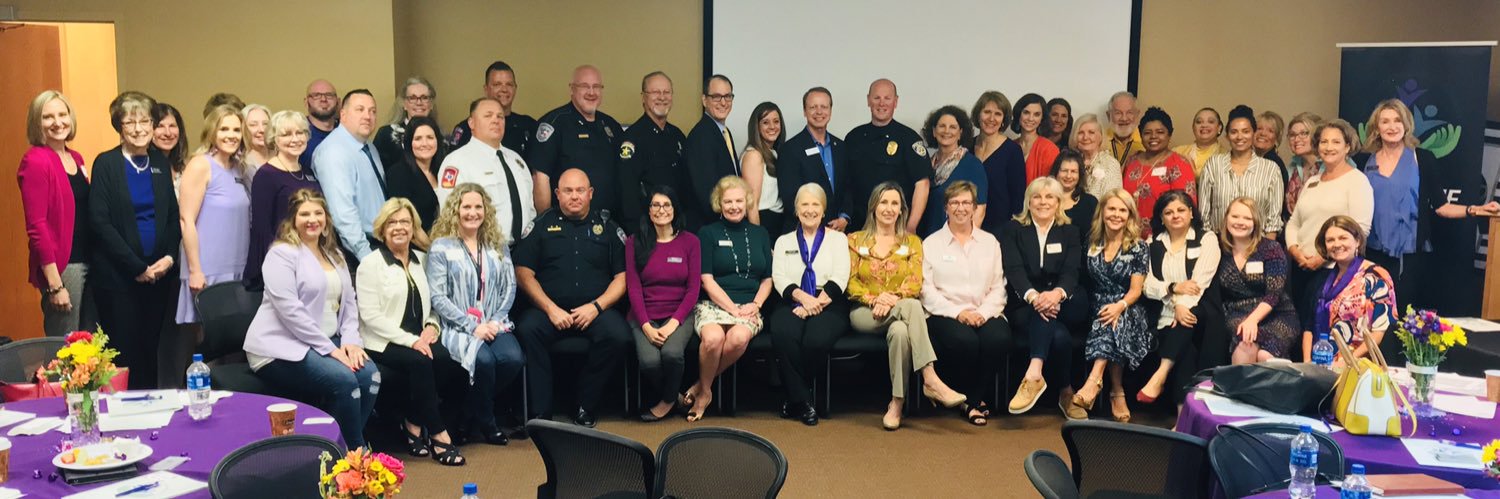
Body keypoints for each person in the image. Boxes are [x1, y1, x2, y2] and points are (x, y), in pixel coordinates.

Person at [244, 189, 376, 450]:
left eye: (318, 213)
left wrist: (351, 342)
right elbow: (291, 312)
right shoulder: (281, 254)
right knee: (344, 380)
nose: (312, 219)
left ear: (326, 219)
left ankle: (331, 449)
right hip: (279, 347)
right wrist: (332, 350)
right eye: (304, 214)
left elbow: (349, 303)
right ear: (293, 220)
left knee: (370, 376)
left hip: (326, 342)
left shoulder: (334, 255)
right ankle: (356, 457)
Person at [513, 168, 632, 428]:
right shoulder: (541, 226)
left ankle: (584, 405)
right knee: (528, 329)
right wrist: (550, 308)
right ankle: (541, 414)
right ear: (557, 194)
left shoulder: (608, 228)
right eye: (567, 191)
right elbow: (523, 273)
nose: (574, 196)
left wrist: (596, 307)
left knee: (619, 335)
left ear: (591, 193)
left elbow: (622, 277)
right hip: (550, 309)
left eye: (580, 190)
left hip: (594, 309)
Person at [1358, 99, 1498, 311]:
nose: (1392, 126)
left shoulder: (1422, 158)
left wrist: (1476, 210)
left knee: (1402, 315)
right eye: (1385, 121)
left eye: (1397, 120)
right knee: (1371, 313)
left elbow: (1442, 207)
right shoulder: (1363, 162)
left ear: (1406, 125)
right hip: (1372, 254)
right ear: (1376, 128)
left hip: (1410, 257)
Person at [847, 182, 966, 430]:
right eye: (884, 202)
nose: (889, 209)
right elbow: (850, 282)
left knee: (901, 331)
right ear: (873, 207)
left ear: (902, 209)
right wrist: (875, 299)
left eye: (895, 204)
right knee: (912, 307)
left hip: (899, 312)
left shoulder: (912, 242)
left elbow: (915, 283)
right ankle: (930, 377)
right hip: (864, 313)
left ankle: (896, 403)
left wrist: (891, 298)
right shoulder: (855, 240)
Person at [357, 198, 466, 465]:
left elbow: (431, 305)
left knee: (448, 361)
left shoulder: (421, 260)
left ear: (413, 226)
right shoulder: (370, 264)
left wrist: (432, 326)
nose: (399, 227)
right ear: (382, 229)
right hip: (382, 340)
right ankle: (440, 437)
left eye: (405, 221)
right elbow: (370, 317)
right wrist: (412, 341)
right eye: (392, 222)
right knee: (421, 362)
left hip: (418, 337)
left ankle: (413, 422)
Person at [89, 91, 180, 388]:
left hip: (159, 276)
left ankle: (152, 418)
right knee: (124, 355)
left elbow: (171, 216)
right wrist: (137, 267)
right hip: (119, 279)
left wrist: (168, 258)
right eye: (131, 122)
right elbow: (100, 223)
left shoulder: (158, 162)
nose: (139, 128)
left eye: (145, 121)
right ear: (119, 127)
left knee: (149, 350)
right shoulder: (106, 164)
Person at [427, 184, 523, 445]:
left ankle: (467, 413)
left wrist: (493, 321)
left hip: (494, 322)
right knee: (483, 363)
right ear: (455, 210)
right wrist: (472, 326)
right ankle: (488, 423)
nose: (472, 212)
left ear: (486, 210)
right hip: (457, 326)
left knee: (511, 359)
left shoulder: (497, 245)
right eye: (466, 206)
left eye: (478, 207)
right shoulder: (440, 247)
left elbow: (509, 287)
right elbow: (438, 297)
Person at [922, 180, 1011, 426]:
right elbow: (926, 291)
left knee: (998, 338)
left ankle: (970, 399)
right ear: (946, 208)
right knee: (965, 341)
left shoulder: (990, 243)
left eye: (966, 203)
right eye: (955, 203)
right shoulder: (931, 243)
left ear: (974, 208)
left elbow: (998, 287)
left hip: (985, 311)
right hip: (945, 313)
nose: (960, 208)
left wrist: (982, 313)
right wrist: (959, 313)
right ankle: (973, 400)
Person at [688, 176, 772, 422]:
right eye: (728, 201)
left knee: (737, 338)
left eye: (739, 200)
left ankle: (701, 388)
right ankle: (705, 392)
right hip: (714, 303)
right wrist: (732, 309)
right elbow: (707, 279)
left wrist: (755, 305)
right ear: (719, 204)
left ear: (747, 203)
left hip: (749, 305)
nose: (734, 206)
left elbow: (767, 279)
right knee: (713, 339)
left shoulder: (760, 233)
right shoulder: (707, 233)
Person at [1000, 177, 1087, 416]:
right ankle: (1066, 392)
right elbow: (1014, 270)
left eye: (1049, 197)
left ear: (1059, 202)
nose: (1043, 202)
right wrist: (1035, 297)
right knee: (1059, 337)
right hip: (1025, 302)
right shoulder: (1013, 230)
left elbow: (1072, 271)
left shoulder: (1070, 231)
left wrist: (1056, 295)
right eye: (1037, 196)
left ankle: (1034, 374)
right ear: (1028, 202)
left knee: (1053, 315)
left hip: (1064, 301)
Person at [768, 183, 849, 426]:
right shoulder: (783, 241)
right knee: (783, 333)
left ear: (824, 210)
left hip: (829, 301)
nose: (810, 210)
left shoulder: (838, 239)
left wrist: (816, 303)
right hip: (792, 299)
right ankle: (805, 401)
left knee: (815, 339)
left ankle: (794, 399)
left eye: (816, 204)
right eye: (804, 204)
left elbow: (841, 276)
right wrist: (803, 299)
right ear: (796, 210)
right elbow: (779, 278)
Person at [19, 90, 95, 337]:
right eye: (48, 117)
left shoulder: (76, 157)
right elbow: (37, 226)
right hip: (64, 267)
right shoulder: (35, 161)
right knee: (62, 348)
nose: (57, 122)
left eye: (63, 114)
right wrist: (55, 284)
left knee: (87, 346)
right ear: (36, 123)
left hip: (88, 260)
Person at [1068, 188, 1148, 423]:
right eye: (1111, 208)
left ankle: (1094, 380)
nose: (1116, 214)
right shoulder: (1091, 242)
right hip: (1096, 304)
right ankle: (1116, 391)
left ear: (1130, 215)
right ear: (1102, 212)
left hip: (1129, 306)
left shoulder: (1138, 247)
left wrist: (1119, 305)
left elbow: (1136, 290)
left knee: (1114, 318)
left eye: (1122, 210)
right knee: (1106, 317)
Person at [1285, 119, 1374, 328]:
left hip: (1335, 269)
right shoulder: (1312, 181)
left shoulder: (1357, 181)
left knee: (1322, 330)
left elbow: (1361, 229)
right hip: (1301, 267)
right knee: (1300, 330)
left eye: (1336, 142)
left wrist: (1321, 257)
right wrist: (1295, 252)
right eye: (1324, 142)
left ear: (1347, 146)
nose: (1328, 147)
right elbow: (1293, 223)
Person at [625, 186, 701, 422]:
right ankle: (678, 398)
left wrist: (672, 324)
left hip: (680, 313)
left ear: (675, 209)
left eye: (667, 205)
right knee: (648, 362)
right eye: (655, 205)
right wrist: (646, 325)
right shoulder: (634, 242)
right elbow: (634, 287)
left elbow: (693, 290)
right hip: (643, 315)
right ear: (648, 211)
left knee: (672, 354)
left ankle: (666, 402)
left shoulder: (691, 242)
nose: (661, 210)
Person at [1139, 190, 1219, 405]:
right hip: (1164, 315)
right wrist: (1173, 290)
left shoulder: (1206, 239)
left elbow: (1199, 283)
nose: (1176, 215)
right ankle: (1182, 417)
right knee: (1186, 351)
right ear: (1161, 218)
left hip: (1201, 310)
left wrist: (1181, 306)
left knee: (1185, 322)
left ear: (1191, 213)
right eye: (1168, 212)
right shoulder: (1152, 243)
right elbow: (1147, 285)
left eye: (1181, 210)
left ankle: (1160, 374)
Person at [177, 105, 250, 327]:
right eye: (224, 129)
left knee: (234, 337)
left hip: (236, 266)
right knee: (208, 339)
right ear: (212, 132)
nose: (231, 135)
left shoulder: (240, 168)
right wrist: (195, 270)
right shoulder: (201, 164)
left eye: (236, 130)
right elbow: (186, 220)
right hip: (208, 268)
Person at [530, 65, 626, 216]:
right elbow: (540, 178)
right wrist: (547, 223)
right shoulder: (554, 124)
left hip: (608, 224)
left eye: (596, 87)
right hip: (567, 226)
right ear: (571, 89)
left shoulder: (611, 126)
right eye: (584, 86)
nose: (591, 92)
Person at [437, 98, 534, 246]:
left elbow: (530, 208)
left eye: (500, 116)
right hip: (484, 250)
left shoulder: (516, 160)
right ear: (471, 123)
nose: (496, 120)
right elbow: (450, 216)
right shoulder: (457, 161)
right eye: (488, 115)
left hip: (524, 253)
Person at [1217, 197, 1299, 364]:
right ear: (1226, 219)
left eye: (1247, 218)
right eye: (1235, 217)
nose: (1240, 222)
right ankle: (1240, 391)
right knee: (1245, 346)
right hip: (1237, 312)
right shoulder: (1218, 250)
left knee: (1265, 356)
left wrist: (1253, 320)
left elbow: (1274, 294)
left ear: (1255, 223)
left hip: (1276, 313)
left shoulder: (1270, 249)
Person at [245, 111, 320, 291]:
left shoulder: (307, 172)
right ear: (274, 139)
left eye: (300, 132)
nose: (295, 139)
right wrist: (281, 268)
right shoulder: (266, 175)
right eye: (286, 134)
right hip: (283, 265)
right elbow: (262, 230)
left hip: (311, 258)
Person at [1307, 215, 1396, 365]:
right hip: (1321, 362)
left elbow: (1379, 332)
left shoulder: (1376, 276)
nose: (1337, 244)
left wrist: (1348, 361)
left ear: (1357, 241)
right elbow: (1308, 326)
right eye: (1330, 240)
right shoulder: (1322, 280)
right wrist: (1308, 362)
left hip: (1359, 364)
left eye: (1343, 238)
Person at [846, 79, 932, 232]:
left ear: (896, 102)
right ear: (868, 100)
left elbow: (923, 185)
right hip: (859, 228)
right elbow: (845, 183)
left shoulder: (909, 139)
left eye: (887, 98)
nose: (882, 103)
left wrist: (910, 227)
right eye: (876, 98)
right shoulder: (854, 137)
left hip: (897, 228)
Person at [314, 90, 387, 261]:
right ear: (343, 114)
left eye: (372, 111)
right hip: (357, 249)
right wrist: (366, 256)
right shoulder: (333, 152)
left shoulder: (369, 147)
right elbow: (342, 213)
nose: (367, 116)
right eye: (360, 109)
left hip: (380, 242)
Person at [1196, 105, 1284, 237]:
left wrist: (1267, 253)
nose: (1239, 136)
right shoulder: (1213, 165)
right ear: (1227, 136)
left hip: (1258, 247)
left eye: (1245, 131)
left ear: (1253, 133)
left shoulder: (1271, 169)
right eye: (1234, 132)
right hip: (1219, 247)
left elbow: (1273, 222)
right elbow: (1204, 216)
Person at [620, 71, 688, 231]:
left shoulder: (677, 135)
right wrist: (639, 232)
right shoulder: (632, 139)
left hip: (676, 225)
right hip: (647, 228)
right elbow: (627, 191)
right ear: (643, 97)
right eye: (656, 92)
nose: (662, 97)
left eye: (667, 92)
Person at [778, 87, 852, 231]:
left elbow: (848, 188)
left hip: (838, 231)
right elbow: (789, 196)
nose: (819, 112)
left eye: (824, 107)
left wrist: (844, 217)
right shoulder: (790, 149)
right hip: (804, 230)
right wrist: (814, 221)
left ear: (830, 110)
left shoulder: (841, 147)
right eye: (813, 107)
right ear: (805, 111)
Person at [1121, 107, 1196, 234]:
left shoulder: (1178, 164)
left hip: (1164, 237)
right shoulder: (1132, 161)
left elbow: (1186, 208)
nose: (1153, 136)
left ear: (1169, 134)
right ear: (1141, 135)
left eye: (1160, 132)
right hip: (1129, 235)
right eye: (1147, 133)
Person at [917, 105, 987, 236]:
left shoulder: (972, 165)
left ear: (961, 132)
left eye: (953, 127)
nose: (946, 131)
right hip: (926, 239)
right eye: (942, 126)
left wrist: (966, 239)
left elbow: (980, 210)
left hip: (956, 239)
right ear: (933, 131)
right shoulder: (926, 164)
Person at [684, 75, 741, 230]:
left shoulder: (723, 132)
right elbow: (706, 191)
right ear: (704, 100)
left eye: (728, 96)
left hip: (725, 222)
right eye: (716, 97)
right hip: (712, 227)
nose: (723, 102)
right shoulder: (701, 136)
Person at [451, 61, 536, 156]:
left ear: (515, 89)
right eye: (497, 84)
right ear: (486, 89)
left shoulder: (528, 126)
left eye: (509, 84)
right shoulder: (468, 128)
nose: (504, 89)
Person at [971, 91, 1026, 223]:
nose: (991, 118)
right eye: (987, 112)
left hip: (1000, 227)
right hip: (966, 223)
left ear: (1003, 120)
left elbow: (1018, 197)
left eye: (998, 114)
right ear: (978, 115)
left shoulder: (1013, 151)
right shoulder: (966, 146)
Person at [385, 115, 443, 232]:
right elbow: (404, 222)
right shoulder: (398, 173)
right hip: (417, 245)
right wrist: (432, 248)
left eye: (430, 137)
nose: (425, 143)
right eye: (418, 139)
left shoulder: (444, 169)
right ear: (409, 143)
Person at [374, 77, 439, 169]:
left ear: (431, 104)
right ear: (404, 104)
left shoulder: (440, 136)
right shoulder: (386, 134)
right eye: (412, 98)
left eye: (424, 98)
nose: (419, 102)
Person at [741, 102, 785, 232]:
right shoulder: (754, 155)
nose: (772, 126)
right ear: (757, 127)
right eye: (765, 122)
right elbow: (752, 204)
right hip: (762, 222)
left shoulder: (774, 153)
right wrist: (758, 239)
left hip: (775, 222)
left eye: (776, 121)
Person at [1282, 112, 1324, 221]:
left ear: (1317, 135)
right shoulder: (1292, 168)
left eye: (1304, 133)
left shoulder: (1333, 165)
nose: (1296, 139)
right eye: (1292, 135)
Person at [1052, 149, 1098, 244]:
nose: (1068, 176)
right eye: (1064, 171)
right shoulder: (1045, 201)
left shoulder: (1090, 203)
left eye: (1073, 171)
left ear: (1080, 175)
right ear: (1056, 172)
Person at [1073, 114, 1122, 199]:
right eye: (1080, 133)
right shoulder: (1070, 161)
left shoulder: (1111, 164)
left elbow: (1112, 201)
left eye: (1091, 132)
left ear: (1101, 136)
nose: (1085, 137)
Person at [1014, 93, 1060, 184]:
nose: (1031, 118)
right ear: (1019, 114)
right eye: (1026, 112)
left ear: (1042, 118)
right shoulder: (1009, 146)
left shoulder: (1049, 149)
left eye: (1036, 114)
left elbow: (1050, 186)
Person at [1172, 107, 1223, 175]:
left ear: (1219, 128)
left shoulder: (1225, 156)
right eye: (1199, 122)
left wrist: (1193, 172)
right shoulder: (1178, 152)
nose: (1204, 125)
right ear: (1193, 127)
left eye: (1210, 122)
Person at [301, 79, 339, 168]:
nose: (323, 99)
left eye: (329, 95)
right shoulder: (298, 133)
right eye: (316, 95)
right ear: (306, 102)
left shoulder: (346, 132)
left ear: (338, 101)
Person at [151, 102, 188, 190]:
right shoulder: (141, 167)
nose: (168, 133)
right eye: (160, 126)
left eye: (172, 126)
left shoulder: (186, 168)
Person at [1106, 91, 1144, 164]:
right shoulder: (1098, 141)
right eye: (1118, 113)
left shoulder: (1146, 143)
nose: (1124, 118)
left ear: (1137, 115)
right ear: (1108, 115)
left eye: (1129, 112)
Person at [241, 104, 271, 182]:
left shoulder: (281, 155)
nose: (262, 130)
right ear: (243, 129)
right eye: (253, 125)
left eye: (265, 124)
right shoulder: (241, 164)